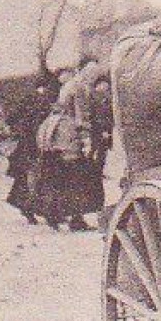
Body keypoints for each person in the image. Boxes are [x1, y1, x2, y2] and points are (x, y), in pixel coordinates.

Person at [34, 60, 106, 231]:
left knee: (62, 174)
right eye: (93, 75)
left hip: (56, 131)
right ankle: (75, 218)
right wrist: (87, 141)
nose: (93, 78)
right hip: (69, 134)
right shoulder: (81, 87)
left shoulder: (69, 85)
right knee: (76, 175)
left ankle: (55, 213)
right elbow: (82, 117)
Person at [5, 74, 57, 224]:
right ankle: (33, 208)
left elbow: (11, 118)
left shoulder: (30, 98)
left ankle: (28, 208)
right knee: (37, 176)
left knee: (26, 176)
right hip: (36, 143)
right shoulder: (44, 100)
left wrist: (19, 131)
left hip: (28, 142)